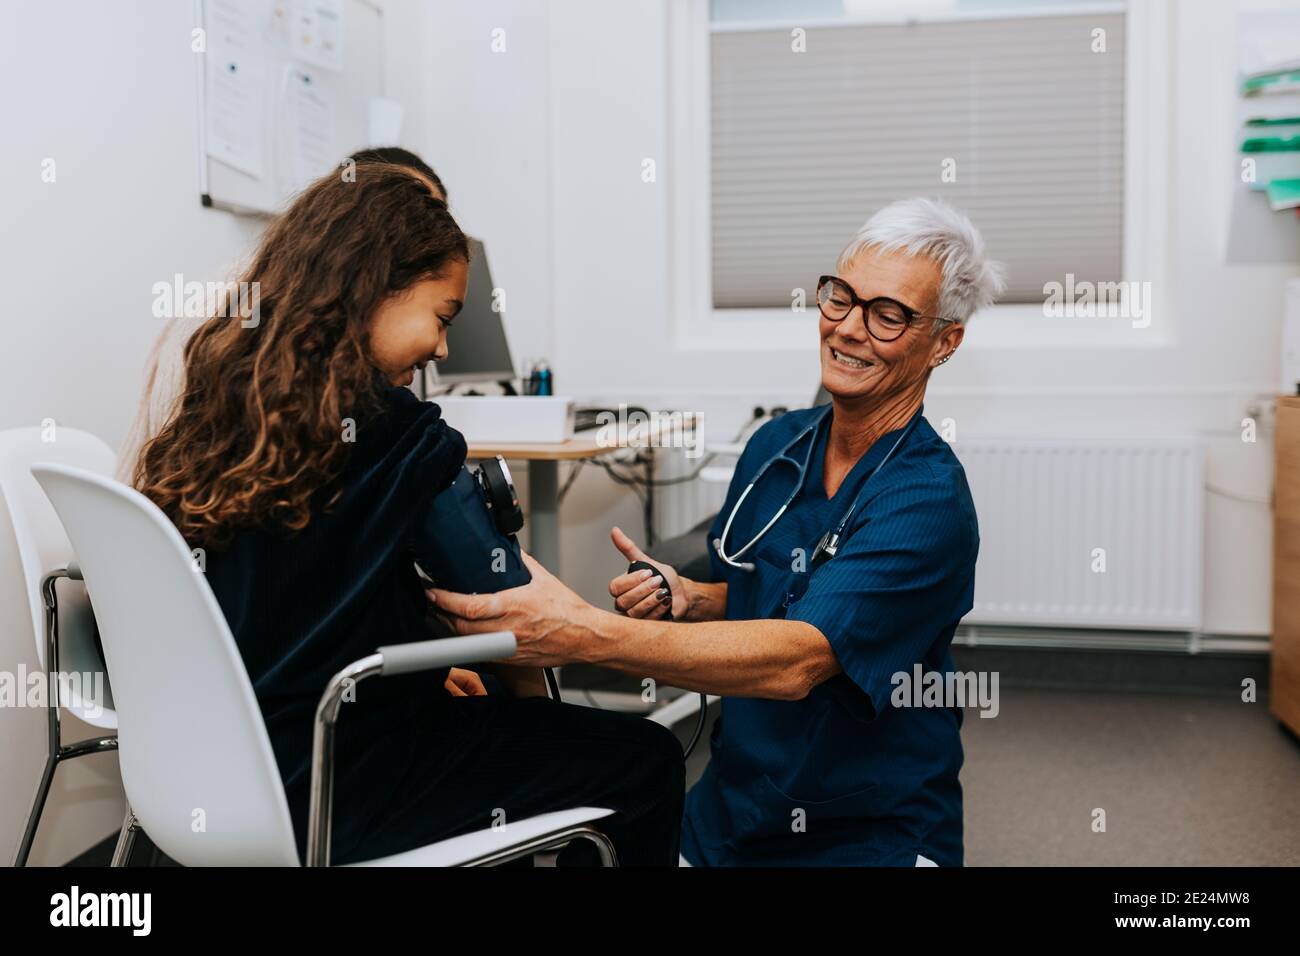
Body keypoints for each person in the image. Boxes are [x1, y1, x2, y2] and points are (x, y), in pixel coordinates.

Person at [134, 161, 683, 865]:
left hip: (217, 769)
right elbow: (503, 606)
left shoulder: (220, 414)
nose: (443, 349)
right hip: (339, 789)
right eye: (442, 316)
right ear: (375, 286)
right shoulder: (407, 439)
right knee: (645, 758)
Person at [430, 197, 1005, 866]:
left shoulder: (926, 500)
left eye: (887, 315)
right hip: (734, 807)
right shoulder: (777, 447)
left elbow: (801, 657)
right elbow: (783, 593)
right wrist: (691, 598)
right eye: (840, 297)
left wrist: (580, 632)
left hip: (866, 826)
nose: (848, 329)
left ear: (945, 340)